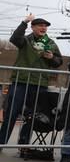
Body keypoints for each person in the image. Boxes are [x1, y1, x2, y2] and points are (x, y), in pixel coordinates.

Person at [0, 14, 63, 148]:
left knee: (34, 116)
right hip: (21, 82)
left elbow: (58, 62)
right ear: (33, 27)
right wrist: (24, 22)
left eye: (45, 26)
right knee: (12, 112)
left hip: (40, 84)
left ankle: (23, 146)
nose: (43, 28)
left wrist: (51, 57)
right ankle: (1, 143)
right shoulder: (26, 40)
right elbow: (14, 38)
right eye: (40, 25)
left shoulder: (51, 43)